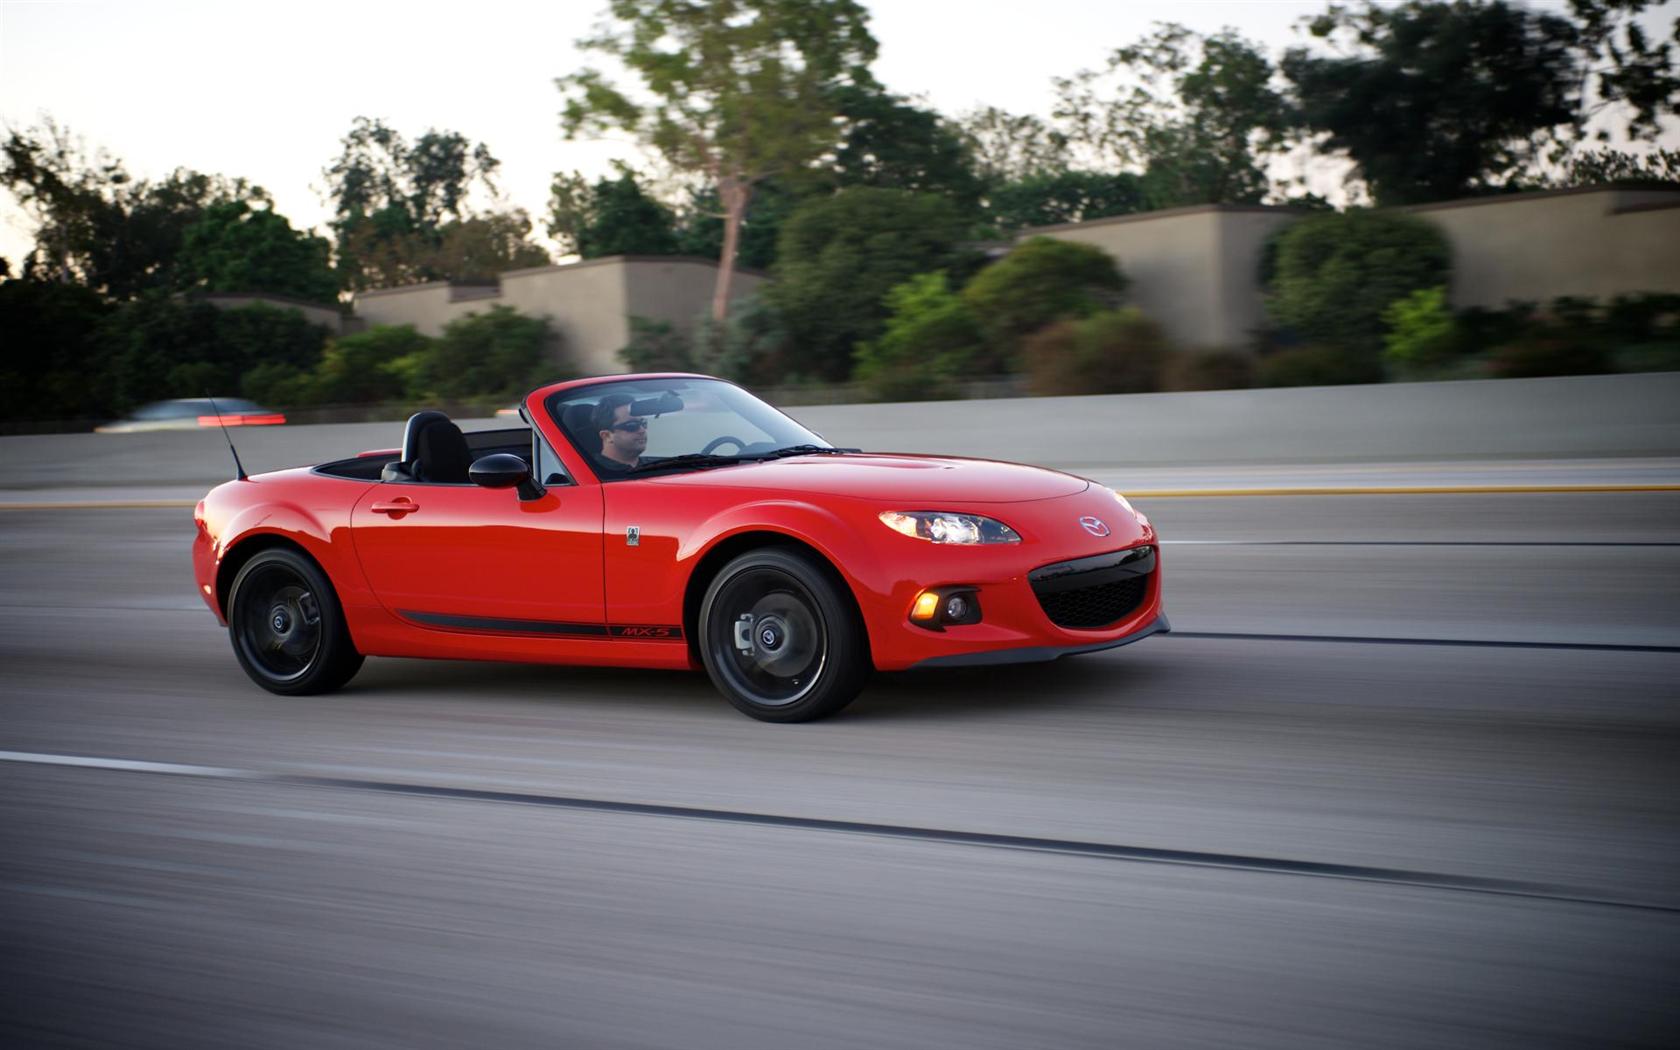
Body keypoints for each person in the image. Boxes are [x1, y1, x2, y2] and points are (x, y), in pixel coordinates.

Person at [592, 393, 648, 473]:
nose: (642, 430)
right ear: (607, 436)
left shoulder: (662, 466)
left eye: (643, 423)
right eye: (632, 425)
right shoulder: (592, 472)